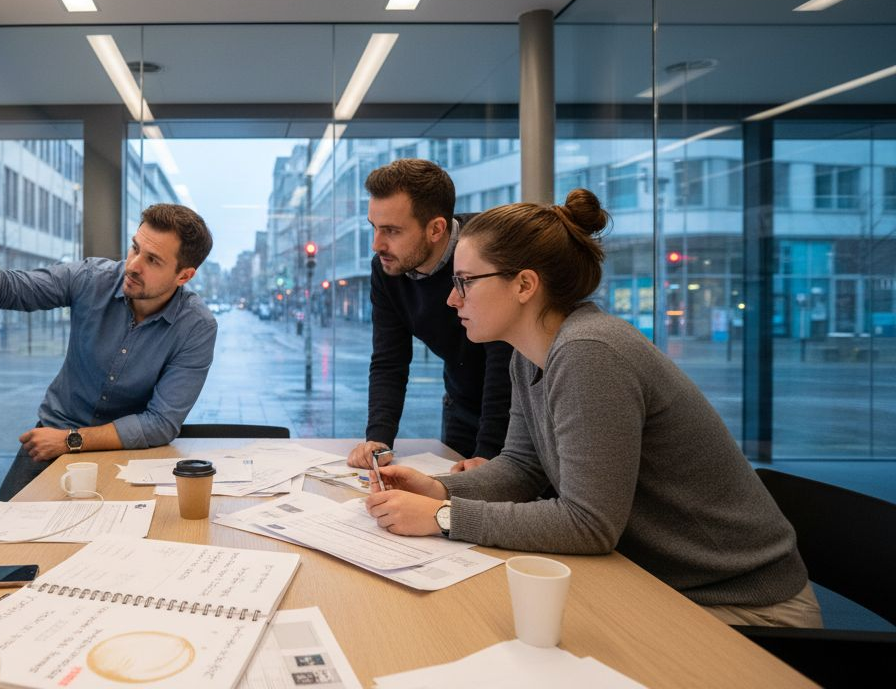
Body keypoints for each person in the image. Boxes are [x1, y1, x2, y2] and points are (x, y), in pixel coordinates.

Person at [365, 189, 820, 627]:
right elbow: (523, 468)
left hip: (742, 605)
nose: (451, 298)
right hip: (665, 584)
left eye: (464, 282)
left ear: (525, 284)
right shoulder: (530, 354)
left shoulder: (590, 353)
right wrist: (438, 489)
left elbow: (588, 524)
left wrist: (444, 518)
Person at [0, 203, 218, 503]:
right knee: (6, 541)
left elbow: (160, 423)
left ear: (184, 276)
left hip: (129, 452)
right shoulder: (93, 278)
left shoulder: (196, 326)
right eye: (135, 247)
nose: (133, 265)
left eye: (153, 260)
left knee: (114, 549)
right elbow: (8, 288)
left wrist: (71, 440)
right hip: (51, 437)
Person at [348, 159, 513, 470]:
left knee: (492, 502)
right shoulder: (387, 269)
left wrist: (488, 454)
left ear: (436, 228)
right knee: (450, 501)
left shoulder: (487, 252)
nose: (376, 244)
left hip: (514, 407)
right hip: (460, 401)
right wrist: (379, 440)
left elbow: (504, 358)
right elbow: (389, 358)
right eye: (374, 227)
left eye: (392, 231)